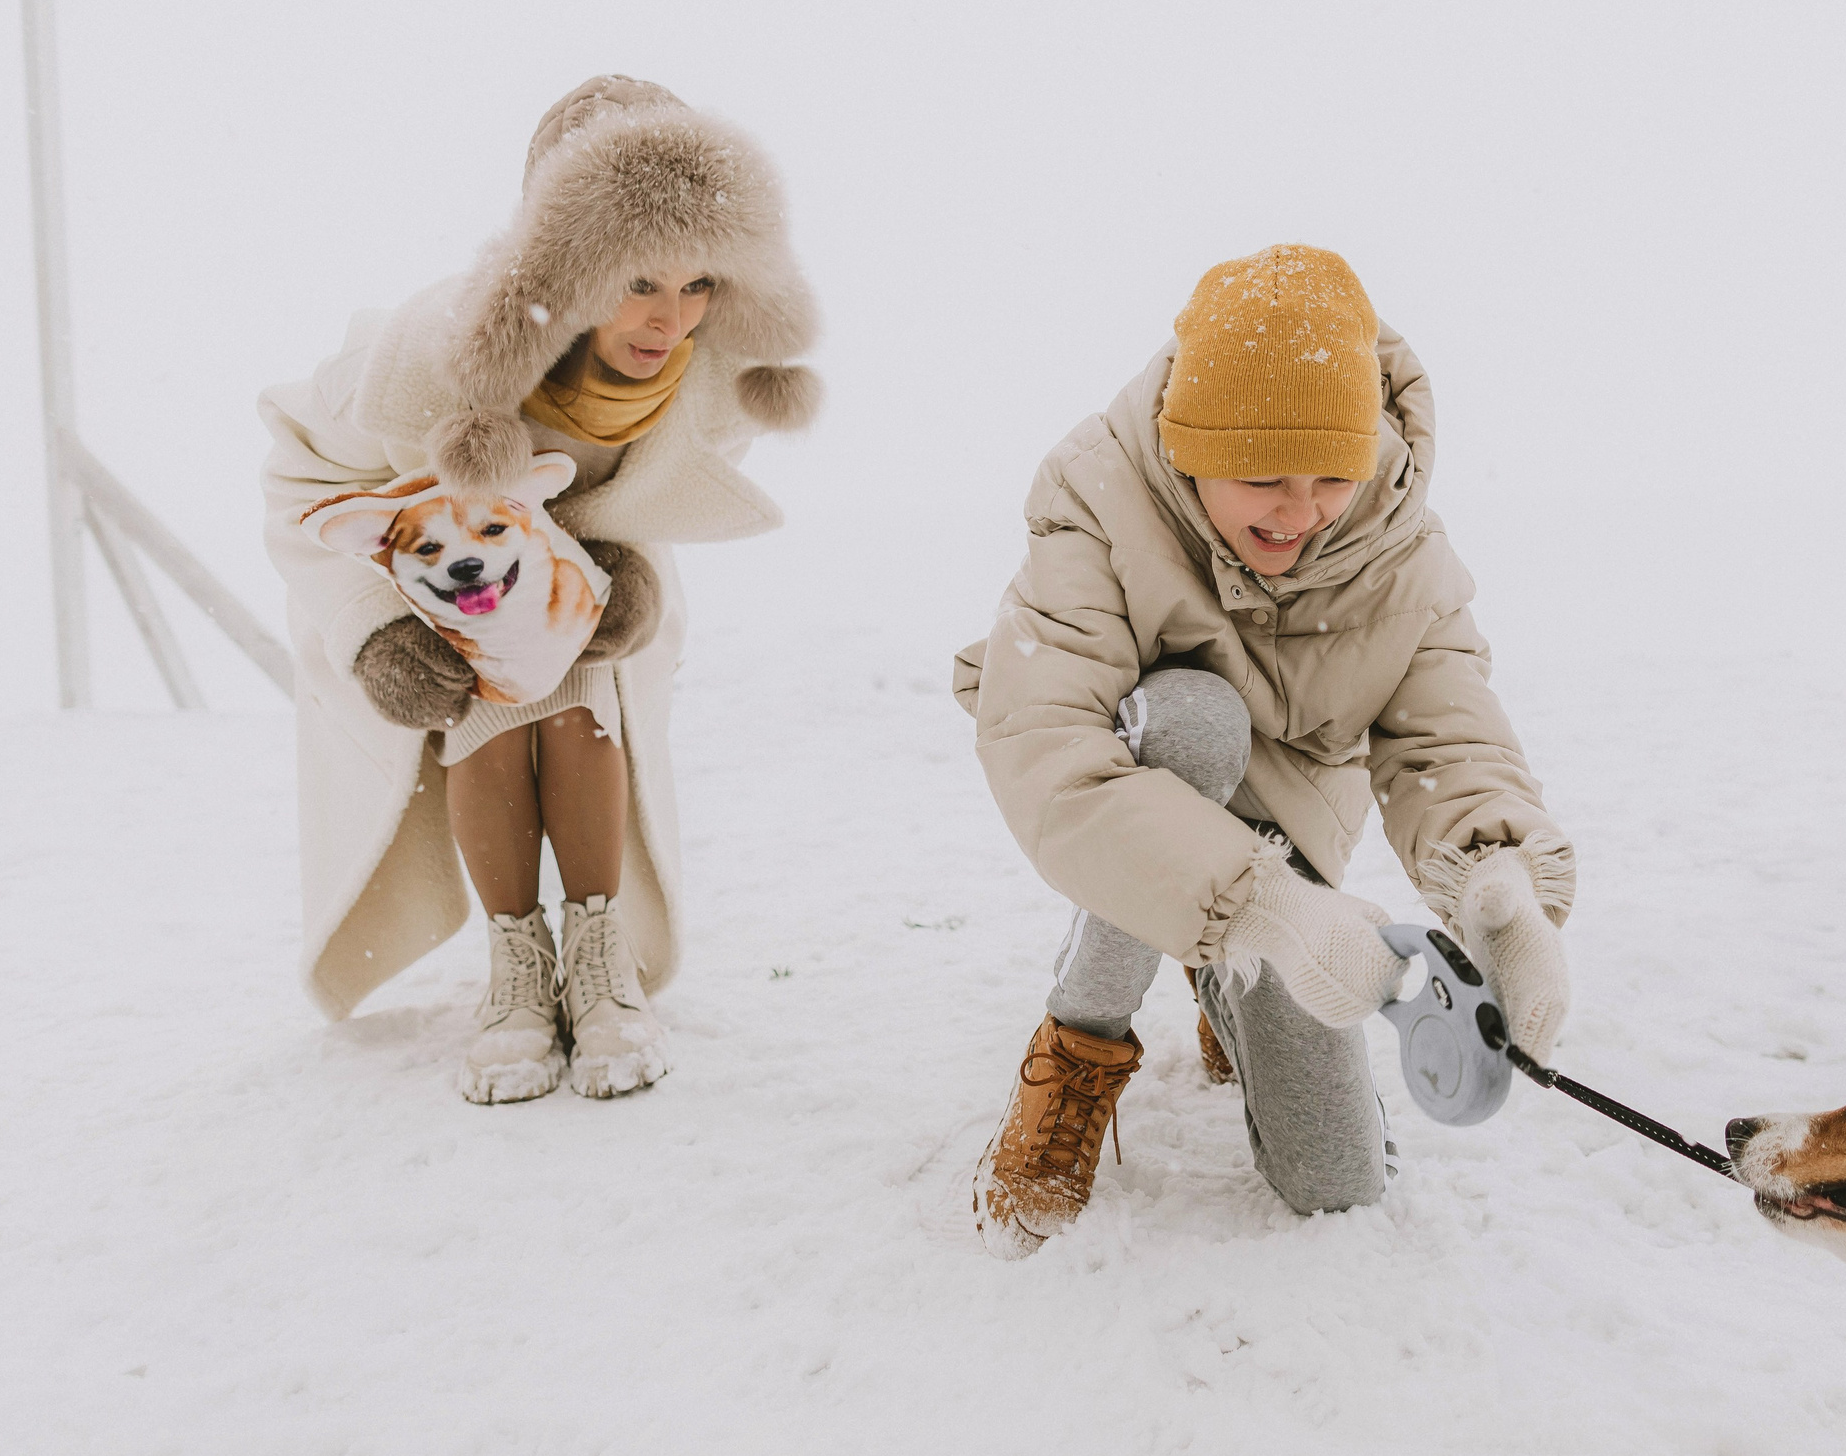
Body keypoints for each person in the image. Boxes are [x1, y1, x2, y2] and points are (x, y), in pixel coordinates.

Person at [955, 243, 1576, 1255]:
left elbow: (1446, 736)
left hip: (1288, 831)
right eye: (1259, 478)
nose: (1299, 512)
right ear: (1187, 444)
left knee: (1336, 1183)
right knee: (1195, 722)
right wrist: (1266, 910)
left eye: (1333, 474)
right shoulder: (1094, 494)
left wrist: (1498, 880)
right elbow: (1053, 754)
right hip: (1148, 770)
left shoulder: (1402, 545)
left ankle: (1217, 977)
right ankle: (1077, 1047)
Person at [260, 76, 821, 1103]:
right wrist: (379, 627)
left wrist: (622, 579)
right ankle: (519, 967)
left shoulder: (705, 376)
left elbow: (647, 511)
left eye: (700, 284)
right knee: (494, 695)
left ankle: (597, 962)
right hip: (439, 595)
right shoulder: (420, 358)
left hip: (580, 623)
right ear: (564, 262)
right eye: (639, 281)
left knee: (569, 697)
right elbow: (300, 474)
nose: (671, 318)